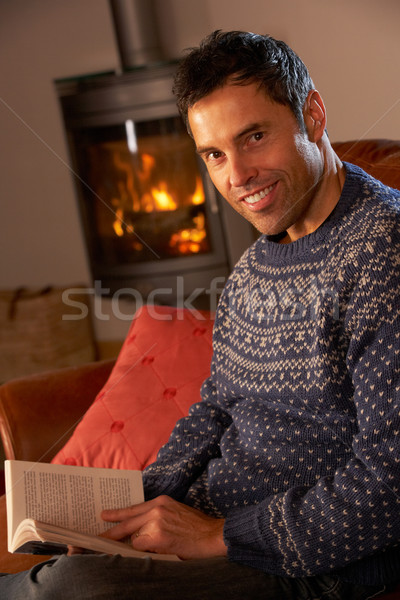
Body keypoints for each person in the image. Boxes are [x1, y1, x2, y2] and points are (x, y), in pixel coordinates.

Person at [1, 30, 400, 600]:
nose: (237, 176)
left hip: (305, 565)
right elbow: (215, 410)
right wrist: (123, 516)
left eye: (254, 137)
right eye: (215, 154)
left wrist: (219, 537)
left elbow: (391, 482)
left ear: (313, 114)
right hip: (211, 526)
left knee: (70, 589)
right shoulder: (259, 262)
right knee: (62, 573)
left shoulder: (384, 250)